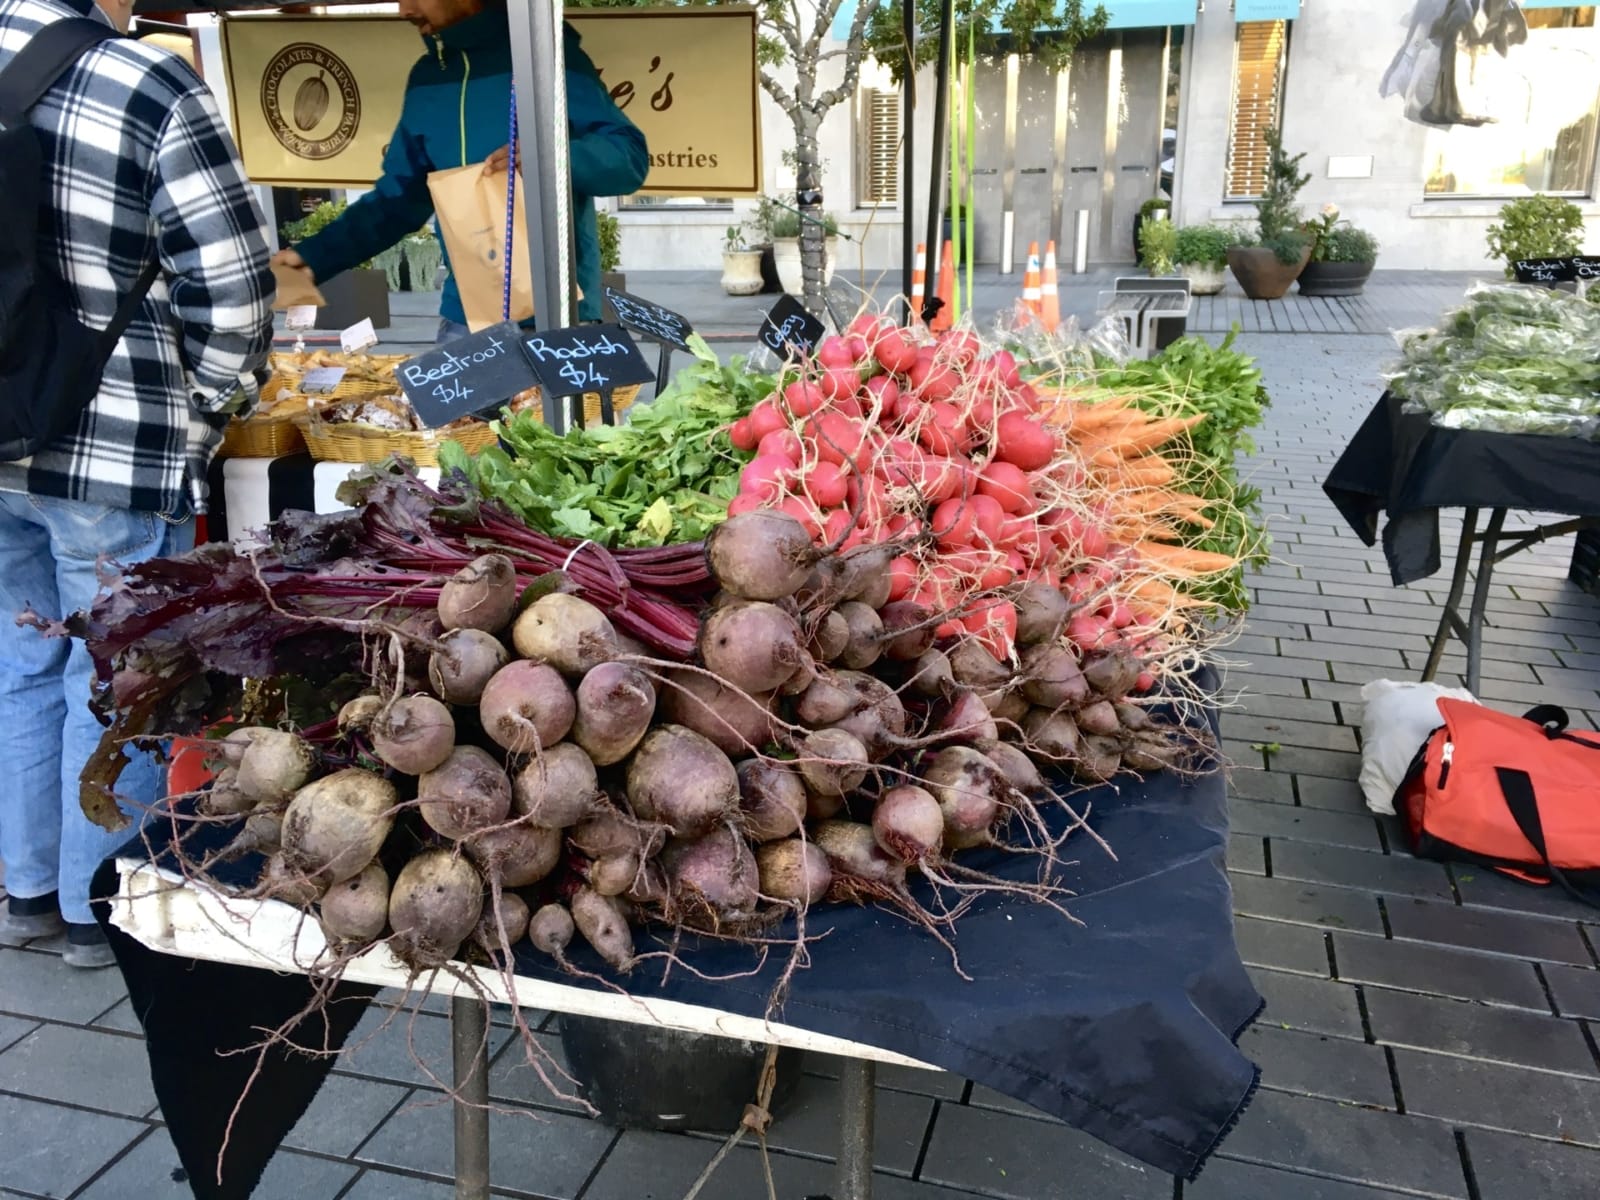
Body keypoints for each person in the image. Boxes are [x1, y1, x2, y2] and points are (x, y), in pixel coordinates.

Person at [0, 0, 274, 967]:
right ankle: (102, 909)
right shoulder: (144, 80)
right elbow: (234, 284)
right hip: (109, 448)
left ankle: (29, 891)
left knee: (19, 664)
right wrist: (206, 410)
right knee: (120, 682)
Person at [273, 0, 647, 342]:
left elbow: (628, 160)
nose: (404, 9)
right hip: (464, 320)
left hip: (558, 314)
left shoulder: (547, 55)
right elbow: (396, 203)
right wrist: (315, 256)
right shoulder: (427, 79)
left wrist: (551, 158)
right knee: (456, 421)